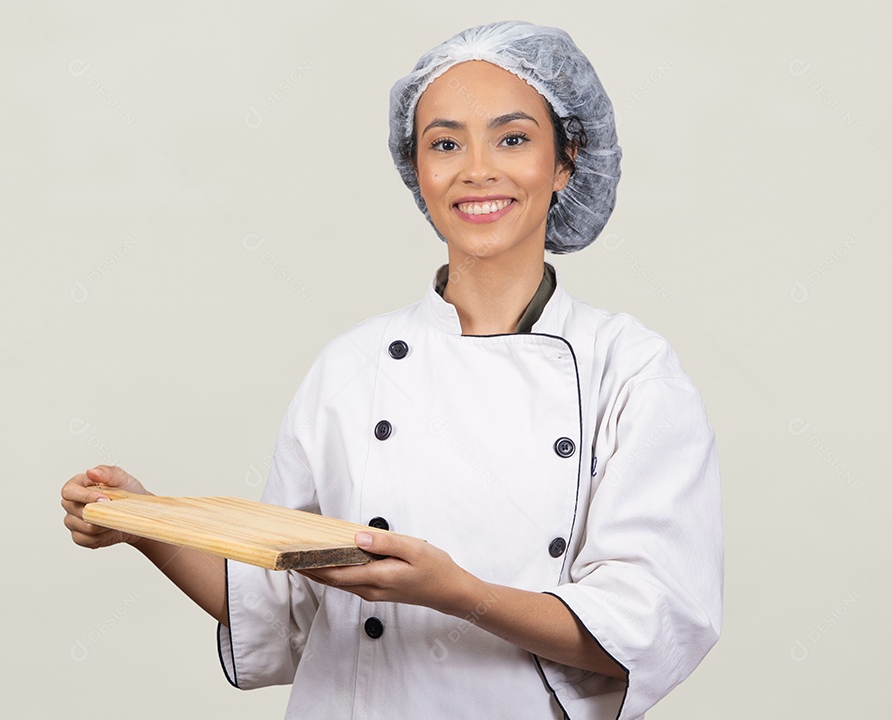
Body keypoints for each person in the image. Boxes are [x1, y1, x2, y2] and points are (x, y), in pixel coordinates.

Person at [60, 20, 723, 720]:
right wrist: (146, 522)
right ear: (418, 171)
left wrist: (457, 592)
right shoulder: (354, 363)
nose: (477, 169)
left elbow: (648, 625)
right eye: (445, 143)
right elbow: (279, 607)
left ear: (565, 161)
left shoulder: (631, 372)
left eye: (513, 138)